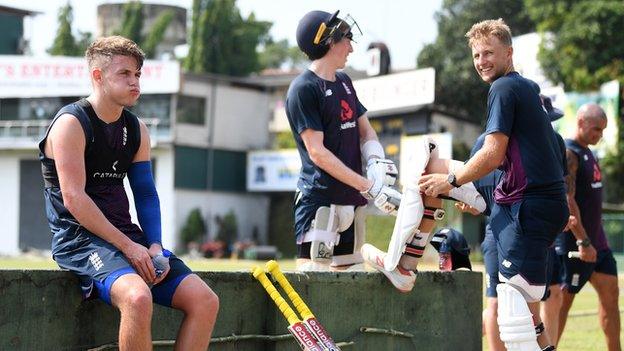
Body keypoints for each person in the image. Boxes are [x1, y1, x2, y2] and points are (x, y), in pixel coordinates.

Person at [39, 36, 219, 350]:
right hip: (79, 240)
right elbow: (74, 198)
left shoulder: (136, 130)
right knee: (137, 297)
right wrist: (129, 247)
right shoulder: (71, 124)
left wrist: (153, 245)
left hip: (125, 237)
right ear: (97, 76)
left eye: (137, 74)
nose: (134, 81)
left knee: (205, 301)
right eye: (124, 74)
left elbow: (146, 194)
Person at [419, 19, 568, 351]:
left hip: (527, 206)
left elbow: (492, 152)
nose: (481, 61)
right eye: (476, 55)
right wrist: (458, 186)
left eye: (489, 52)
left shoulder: (502, 88)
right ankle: (407, 257)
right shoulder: (526, 87)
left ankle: (406, 260)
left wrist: (452, 181)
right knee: (526, 304)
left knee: (512, 305)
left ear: (509, 52)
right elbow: (504, 160)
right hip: (528, 202)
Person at [286, 10, 401, 272]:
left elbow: (367, 131)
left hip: (352, 200)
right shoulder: (303, 88)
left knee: (352, 283)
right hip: (319, 202)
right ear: (329, 41)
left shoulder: (345, 82)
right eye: (346, 38)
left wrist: (375, 162)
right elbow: (318, 153)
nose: (351, 46)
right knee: (313, 279)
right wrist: (369, 186)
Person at [556, 103, 620, 350]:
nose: (600, 135)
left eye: (603, 130)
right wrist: (583, 240)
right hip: (576, 244)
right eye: (596, 130)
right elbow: (567, 198)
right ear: (581, 122)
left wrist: (595, 241)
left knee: (611, 296)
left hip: (598, 245)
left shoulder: (588, 151)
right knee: (562, 305)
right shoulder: (569, 153)